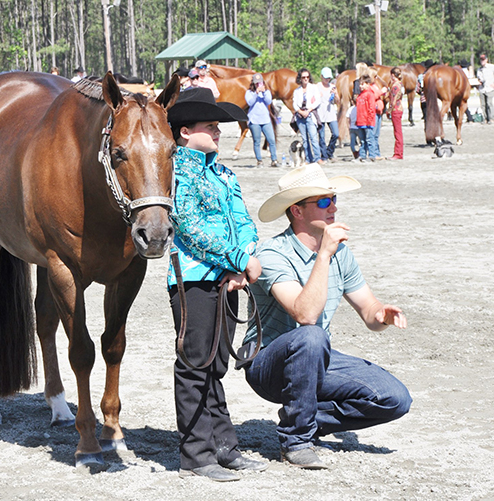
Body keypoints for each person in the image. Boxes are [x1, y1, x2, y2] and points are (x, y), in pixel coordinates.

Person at [240, 163, 412, 470]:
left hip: (314, 359)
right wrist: (324, 255)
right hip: (267, 363)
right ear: (297, 211)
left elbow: (369, 312)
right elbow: (305, 314)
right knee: (312, 335)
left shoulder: (339, 253)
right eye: (322, 201)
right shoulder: (272, 253)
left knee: (394, 398)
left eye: (333, 199)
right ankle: (296, 440)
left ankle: (303, 415)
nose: (333, 207)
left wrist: (383, 314)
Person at [166, 88, 268, 482]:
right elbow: (189, 228)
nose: (219, 131)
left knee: (216, 364)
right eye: (211, 126)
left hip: (227, 279)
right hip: (192, 277)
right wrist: (240, 260)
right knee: (195, 363)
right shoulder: (176, 172)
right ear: (186, 131)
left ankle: (223, 446)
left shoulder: (225, 174)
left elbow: (243, 220)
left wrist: (242, 261)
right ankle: (195, 454)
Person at [245, 73, 278, 168]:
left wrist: (263, 92)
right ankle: (259, 160)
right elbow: (250, 102)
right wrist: (256, 93)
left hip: (265, 119)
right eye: (256, 83)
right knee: (257, 141)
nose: (258, 85)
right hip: (254, 120)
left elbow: (268, 101)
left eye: (259, 83)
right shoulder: (249, 93)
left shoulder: (267, 92)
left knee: (271, 139)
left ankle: (274, 159)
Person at [293, 68, 322, 164]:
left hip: (310, 115)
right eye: (303, 77)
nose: (306, 79)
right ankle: (308, 158)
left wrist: (309, 110)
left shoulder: (313, 88)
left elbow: (318, 100)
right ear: (300, 78)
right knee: (305, 140)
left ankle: (318, 158)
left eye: (307, 77)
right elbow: (295, 103)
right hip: (300, 116)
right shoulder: (297, 91)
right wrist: (300, 112)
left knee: (313, 138)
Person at [317, 67, 340, 162]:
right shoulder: (317, 86)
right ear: (321, 76)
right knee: (321, 136)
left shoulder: (332, 86)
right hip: (320, 114)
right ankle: (324, 156)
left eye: (329, 78)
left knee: (336, 134)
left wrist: (335, 94)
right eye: (326, 78)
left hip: (330, 113)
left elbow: (337, 102)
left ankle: (329, 152)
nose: (327, 80)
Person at [355, 75, 377, 162]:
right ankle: (362, 155)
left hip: (367, 122)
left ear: (368, 84)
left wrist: (369, 120)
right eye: (360, 84)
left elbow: (371, 109)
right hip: (361, 122)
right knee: (362, 140)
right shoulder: (360, 95)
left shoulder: (370, 94)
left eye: (362, 84)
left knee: (369, 139)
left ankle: (372, 156)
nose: (360, 86)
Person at [367, 66, 387, 160]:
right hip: (373, 111)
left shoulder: (375, 85)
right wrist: (381, 92)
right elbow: (371, 97)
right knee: (373, 134)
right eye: (375, 76)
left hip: (378, 111)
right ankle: (374, 153)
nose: (376, 78)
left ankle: (377, 152)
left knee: (376, 134)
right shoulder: (369, 87)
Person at [387, 67, 404, 160]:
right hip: (399, 108)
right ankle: (399, 153)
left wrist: (388, 110)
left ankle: (398, 153)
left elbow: (393, 101)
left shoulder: (395, 86)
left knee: (397, 133)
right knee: (398, 132)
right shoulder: (400, 84)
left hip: (396, 110)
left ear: (393, 75)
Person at [476, 54, 494, 125]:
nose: (482, 61)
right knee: (483, 105)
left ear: (486, 59)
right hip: (482, 89)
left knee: (489, 104)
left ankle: (491, 118)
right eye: (481, 60)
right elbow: (478, 78)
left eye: (483, 59)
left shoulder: (491, 67)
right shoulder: (479, 69)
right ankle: (485, 118)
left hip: (489, 88)